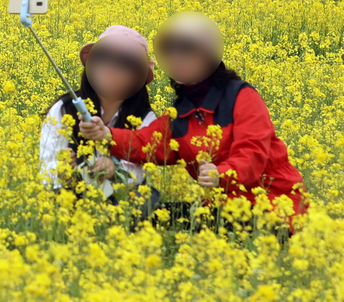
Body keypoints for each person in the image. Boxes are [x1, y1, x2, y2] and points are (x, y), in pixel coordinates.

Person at [78, 12, 307, 230]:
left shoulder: (241, 96)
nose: (178, 60)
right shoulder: (180, 112)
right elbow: (147, 143)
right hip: (221, 209)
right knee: (149, 215)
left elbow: (253, 153)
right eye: (172, 54)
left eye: (187, 52)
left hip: (274, 207)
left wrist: (221, 174)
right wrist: (105, 134)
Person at [40, 25, 159, 207]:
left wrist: (115, 169)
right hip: (70, 202)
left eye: (124, 64)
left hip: (121, 207)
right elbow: (47, 170)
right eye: (102, 59)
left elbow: (140, 173)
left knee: (149, 199)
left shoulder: (146, 119)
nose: (110, 68)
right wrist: (61, 172)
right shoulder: (64, 109)